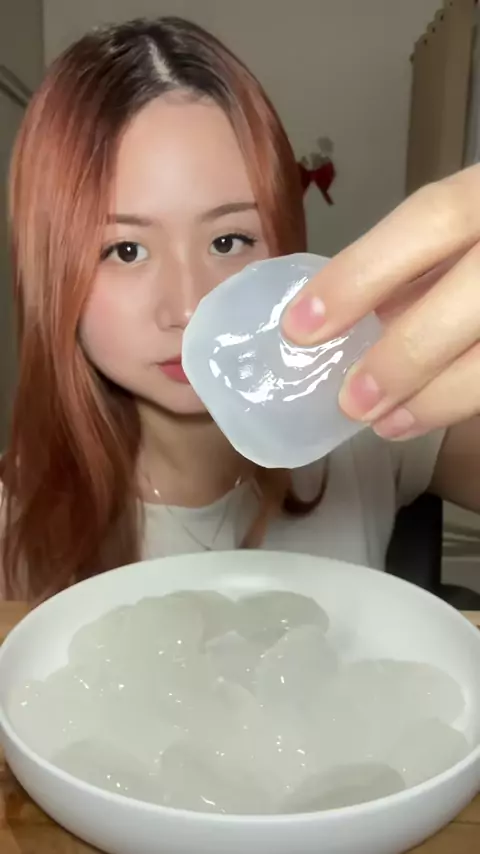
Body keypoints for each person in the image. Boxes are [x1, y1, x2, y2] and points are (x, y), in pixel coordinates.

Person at [0, 17, 478, 603]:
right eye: (125, 250)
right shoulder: (15, 520)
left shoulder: (367, 417)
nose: (187, 310)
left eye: (228, 241)